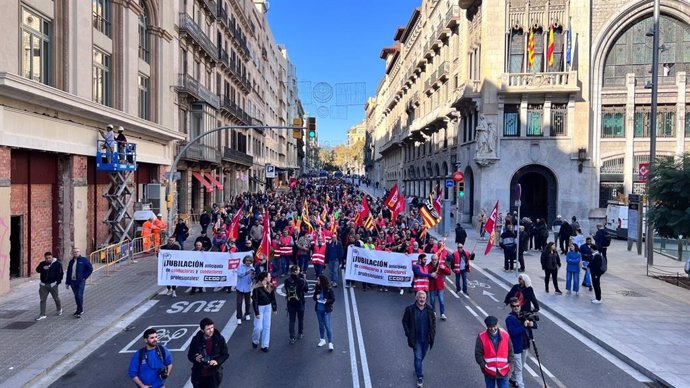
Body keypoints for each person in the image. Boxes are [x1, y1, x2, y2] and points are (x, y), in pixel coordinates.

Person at [402, 291, 436, 388]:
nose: (422, 299)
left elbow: (433, 322)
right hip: (415, 339)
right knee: (418, 357)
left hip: (426, 339)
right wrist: (408, 333)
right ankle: (420, 377)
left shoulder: (429, 309)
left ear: (426, 298)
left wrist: (432, 333)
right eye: (420, 297)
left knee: (421, 356)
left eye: (423, 297)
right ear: (417, 298)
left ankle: (417, 368)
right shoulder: (410, 309)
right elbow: (404, 321)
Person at [187, 317, 229, 388]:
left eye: (212, 327)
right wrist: (196, 358)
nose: (211, 330)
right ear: (202, 330)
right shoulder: (196, 340)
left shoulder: (219, 339)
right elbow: (190, 355)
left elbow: (225, 354)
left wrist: (216, 361)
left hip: (213, 375)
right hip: (199, 376)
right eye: (208, 329)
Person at [475, 315, 514, 388]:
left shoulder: (505, 336)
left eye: (494, 326)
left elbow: (510, 351)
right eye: (490, 327)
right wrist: (483, 366)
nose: (493, 329)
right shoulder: (481, 337)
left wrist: (510, 366)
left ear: (497, 324)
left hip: (503, 370)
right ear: (487, 326)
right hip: (489, 370)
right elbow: (478, 354)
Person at [505, 299, 535, 388]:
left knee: (521, 366)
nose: (517, 307)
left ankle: (513, 379)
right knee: (519, 368)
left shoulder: (523, 315)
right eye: (514, 306)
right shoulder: (509, 319)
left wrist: (532, 324)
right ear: (511, 307)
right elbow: (512, 332)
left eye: (518, 305)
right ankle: (521, 385)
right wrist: (523, 326)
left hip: (525, 346)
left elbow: (534, 324)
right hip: (516, 347)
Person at [252, 272, 277, 352]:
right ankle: (255, 340)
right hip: (260, 307)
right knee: (258, 327)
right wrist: (256, 312)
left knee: (267, 326)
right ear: (265, 278)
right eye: (269, 276)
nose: (270, 277)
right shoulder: (257, 287)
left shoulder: (270, 286)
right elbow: (255, 301)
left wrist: (274, 308)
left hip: (268, 307)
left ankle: (265, 345)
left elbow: (273, 298)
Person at [35, 251, 64, 320]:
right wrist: (42, 268)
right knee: (43, 300)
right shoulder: (42, 264)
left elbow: (61, 273)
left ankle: (59, 309)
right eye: (46, 258)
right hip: (43, 285)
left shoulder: (57, 264)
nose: (48, 259)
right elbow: (37, 270)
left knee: (56, 298)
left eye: (49, 258)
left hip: (53, 284)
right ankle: (42, 314)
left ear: (52, 257)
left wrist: (58, 282)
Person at [65, 247, 93, 318]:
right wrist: (67, 282)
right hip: (72, 282)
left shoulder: (84, 260)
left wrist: (84, 277)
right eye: (74, 252)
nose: (76, 253)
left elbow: (90, 269)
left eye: (77, 252)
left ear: (79, 253)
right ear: (72, 253)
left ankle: (79, 311)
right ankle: (79, 309)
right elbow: (69, 272)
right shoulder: (71, 262)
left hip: (80, 282)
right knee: (76, 296)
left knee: (78, 295)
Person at [284, 265, 308, 344]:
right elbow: (306, 289)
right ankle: (300, 333)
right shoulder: (301, 280)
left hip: (290, 302)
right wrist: (304, 279)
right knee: (300, 319)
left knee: (292, 320)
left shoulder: (287, 280)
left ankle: (292, 337)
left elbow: (286, 289)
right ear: (297, 271)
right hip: (300, 302)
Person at [313, 274, 336, 351]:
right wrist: (316, 297)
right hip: (318, 310)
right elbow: (314, 298)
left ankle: (330, 343)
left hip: (326, 310)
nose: (317, 281)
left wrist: (327, 301)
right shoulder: (317, 288)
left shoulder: (329, 289)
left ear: (322, 281)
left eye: (318, 280)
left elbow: (333, 299)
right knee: (321, 325)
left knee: (327, 326)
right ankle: (322, 339)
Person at [428, 254, 451, 321]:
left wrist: (444, 268)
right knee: (432, 300)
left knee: (441, 300)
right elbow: (426, 273)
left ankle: (442, 313)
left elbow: (449, 273)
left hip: (440, 286)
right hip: (432, 286)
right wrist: (431, 275)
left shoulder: (440, 266)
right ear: (431, 260)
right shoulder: (428, 266)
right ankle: (434, 312)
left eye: (435, 260)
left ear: (437, 259)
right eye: (433, 260)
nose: (434, 261)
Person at [236, 255, 255, 325]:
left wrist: (252, 276)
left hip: (247, 288)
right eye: (247, 261)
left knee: (248, 302)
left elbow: (250, 280)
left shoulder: (252, 268)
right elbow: (240, 274)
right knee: (239, 303)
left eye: (249, 261)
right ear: (244, 261)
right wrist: (247, 272)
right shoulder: (240, 267)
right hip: (240, 288)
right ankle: (238, 317)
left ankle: (247, 313)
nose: (248, 262)